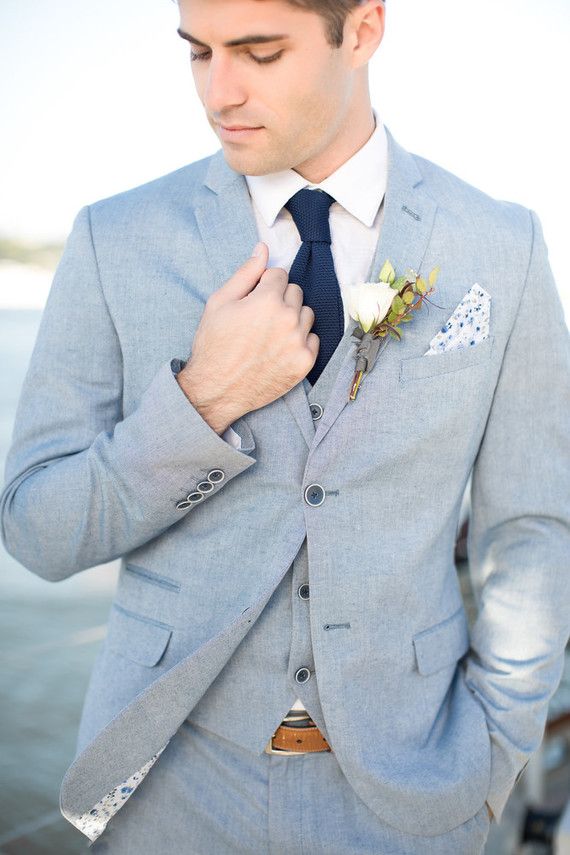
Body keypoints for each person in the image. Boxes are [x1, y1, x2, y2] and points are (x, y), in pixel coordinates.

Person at [1, 0, 569, 851]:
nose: (218, 90)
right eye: (198, 53)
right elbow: (37, 528)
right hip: (166, 784)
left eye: (259, 53)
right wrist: (203, 400)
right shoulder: (112, 238)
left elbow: (532, 526)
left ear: (364, 31)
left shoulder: (502, 244)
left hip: (414, 790)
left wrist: (496, 751)